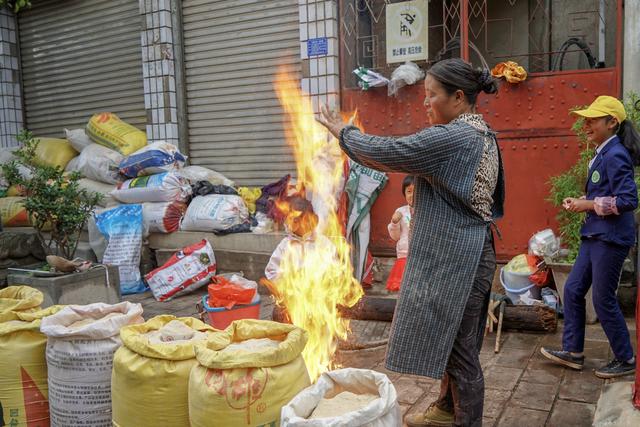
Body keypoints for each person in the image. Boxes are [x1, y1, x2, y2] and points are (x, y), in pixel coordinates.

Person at [318, 58, 504, 427]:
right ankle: (445, 410)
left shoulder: (455, 137)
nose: (425, 103)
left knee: (462, 353)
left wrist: (345, 132)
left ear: (458, 97)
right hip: (467, 252)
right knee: (453, 342)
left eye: (431, 95)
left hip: (461, 259)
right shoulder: (479, 132)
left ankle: (466, 420)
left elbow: (393, 152)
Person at [541, 95, 639, 378]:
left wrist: (588, 205)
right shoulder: (603, 153)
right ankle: (573, 353)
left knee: (603, 298)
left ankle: (626, 358)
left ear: (612, 123)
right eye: (586, 119)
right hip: (595, 234)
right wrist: (584, 200)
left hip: (610, 239)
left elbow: (627, 200)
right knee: (572, 290)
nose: (586, 124)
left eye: (593, 119)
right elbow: (605, 194)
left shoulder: (616, 153)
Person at [386, 175, 414, 292]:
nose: (412, 195)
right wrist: (394, 223)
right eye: (409, 191)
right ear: (404, 194)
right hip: (404, 256)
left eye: (416, 191)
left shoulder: (428, 212)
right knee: (403, 291)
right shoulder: (400, 212)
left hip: (421, 257)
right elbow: (395, 236)